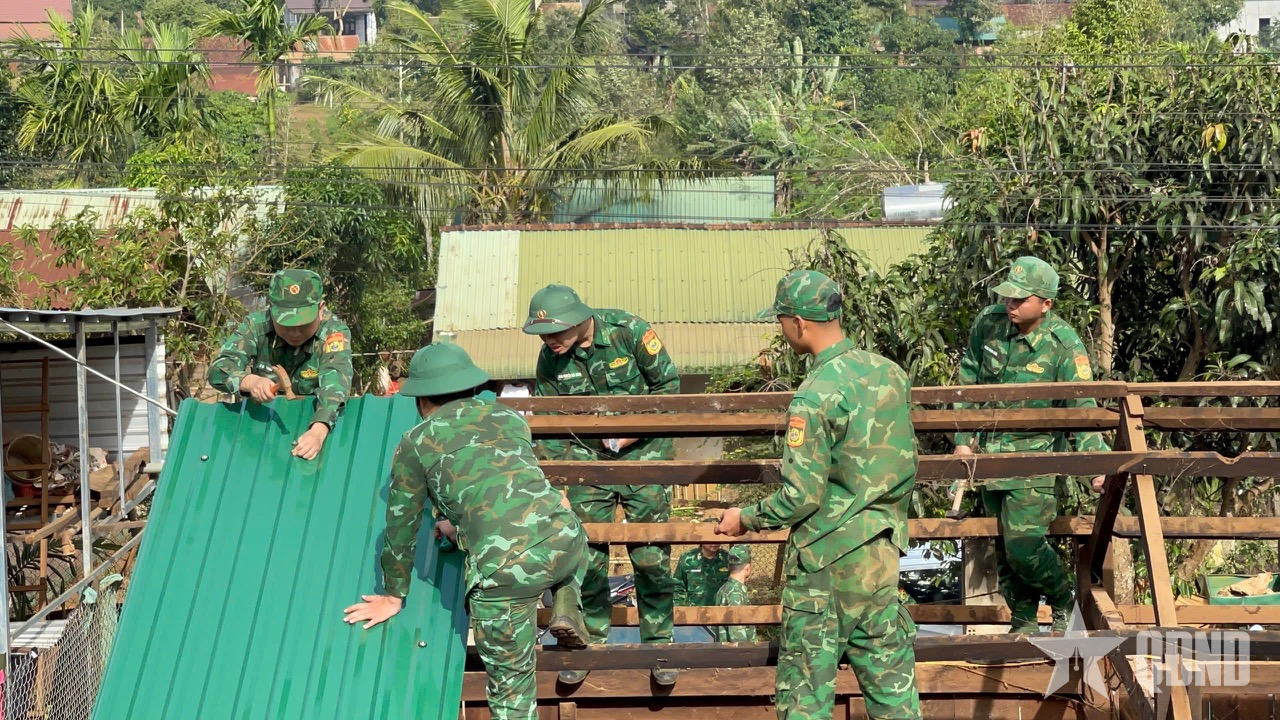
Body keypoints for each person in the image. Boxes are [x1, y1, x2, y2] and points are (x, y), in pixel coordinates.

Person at [342, 343, 590, 720]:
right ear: (471, 387)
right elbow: (506, 498)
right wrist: (457, 530)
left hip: (505, 574)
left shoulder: (416, 443)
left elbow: (401, 527)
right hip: (564, 539)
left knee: (512, 694)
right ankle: (567, 601)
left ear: (421, 399)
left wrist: (393, 595)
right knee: (566, 526)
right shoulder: (510, 419)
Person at [716, 269, 921, 720]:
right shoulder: (890, 374)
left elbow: (802, 496)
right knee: (893, 691)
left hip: (824, 563)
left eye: (782, 320)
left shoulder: (813, 397)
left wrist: (744, 518)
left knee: (805, 694)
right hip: (881, 553)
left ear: (798, 324)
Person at [520, 283, 681, 687]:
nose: (550, 341)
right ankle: (586, 644)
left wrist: (632, 432)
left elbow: (669, 387)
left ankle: (660, 646)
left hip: (644, 457)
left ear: (578, 318)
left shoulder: (628, 330)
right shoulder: (550, 361)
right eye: (543, 334)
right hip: (588, 462)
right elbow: (553, 425)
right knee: (587, 557)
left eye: (556, 332)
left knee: (649, 556)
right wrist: (559, 480)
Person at [953, 256, 1110, 634]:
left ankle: (1062, 597)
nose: (1011, 304)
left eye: (1021, 299)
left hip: (1034, 459)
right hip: (990, 456)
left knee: (1025, 545)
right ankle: (1022, 621)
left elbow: (1082, 407)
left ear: (1046, 304)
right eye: (1008, 296)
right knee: (1004, 551)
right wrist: (963, 439)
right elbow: (968, 376)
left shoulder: (1063, 345)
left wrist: (1096, 462)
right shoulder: (988, 324)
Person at [206, 269, 352, 460]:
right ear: (271, 310)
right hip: (261, 434)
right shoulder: (256, 325)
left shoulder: (334, 332)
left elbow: (336, 379)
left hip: (315, 426)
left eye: (303, 323)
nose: (295, 333)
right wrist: (249, 382)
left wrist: (319, 429)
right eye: (286, 324)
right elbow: (219, 369)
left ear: (321, 308)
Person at [673, 518, 731, 607]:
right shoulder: (687, 559)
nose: (715, 542)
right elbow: (678, 587)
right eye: (710, 537)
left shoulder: (727, 559)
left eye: (718, 537)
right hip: (695, 613)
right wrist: (679, 611)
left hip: (721, 612)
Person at [710, 545, 756, 643]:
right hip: (736, 654)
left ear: (728, 566)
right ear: (747, 568)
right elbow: (737, 633)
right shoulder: (736, 593)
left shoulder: (723, 589)